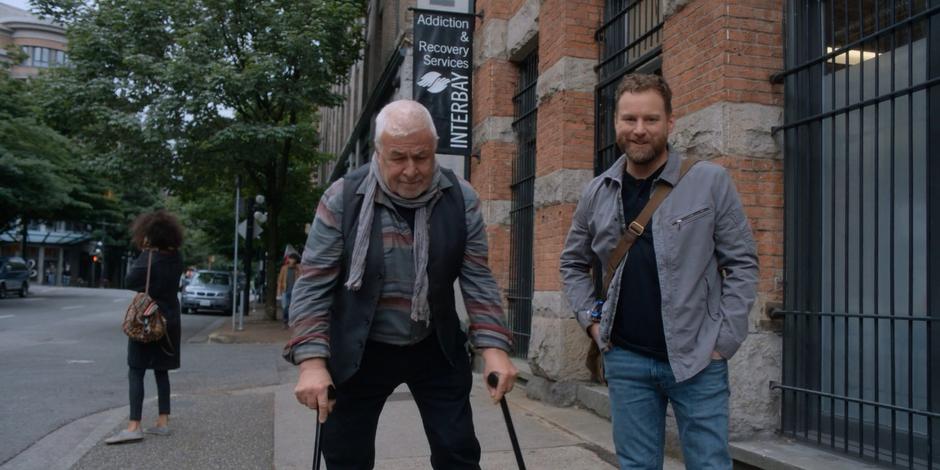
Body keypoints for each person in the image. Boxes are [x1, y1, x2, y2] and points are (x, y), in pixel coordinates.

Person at [283, 99, 518, 469]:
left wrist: (493, 349)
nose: (411, 170)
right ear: (378, 153)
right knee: (347, 456)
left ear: (434, 148)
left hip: (433, 343)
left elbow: (477, 277)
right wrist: (312, 363)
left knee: (458, 450)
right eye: (398, 158)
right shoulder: (343, 198)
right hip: (360, 349)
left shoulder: (461, 198)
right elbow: (313, 285)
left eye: (422, 157)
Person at [560, 73, 759, 469]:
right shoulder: (597, 191)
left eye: (650, 119)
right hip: (626, 360)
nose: (639, 130)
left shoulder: (709, 181)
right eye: (629, 119)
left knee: (710, 465)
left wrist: (725, 340)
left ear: (670, 123)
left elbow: (742, 263)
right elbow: (571, 262)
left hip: (699, 359)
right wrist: (592, 323)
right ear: (615, 123)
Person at [105, 209, 184, 444]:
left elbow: (131, 281)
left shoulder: (149, 258)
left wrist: (144, 254)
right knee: (162, 370)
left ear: (149, 235)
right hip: (170, 319)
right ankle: (162, 421)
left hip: (147, 319)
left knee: (136, 370)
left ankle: (134, 425)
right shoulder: (177, 257)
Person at [277, 253, 301, 327]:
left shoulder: (297, 268)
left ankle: (292, 321)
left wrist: (298, 267)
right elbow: (280, 280)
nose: (291, 260)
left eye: (293, 259)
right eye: (290, 258)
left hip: (295, 291)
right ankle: (285, 321)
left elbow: (301, 277)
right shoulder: (284, 268)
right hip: (285, 290)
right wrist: (279, 292)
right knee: (286, 307)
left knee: (293, 307)